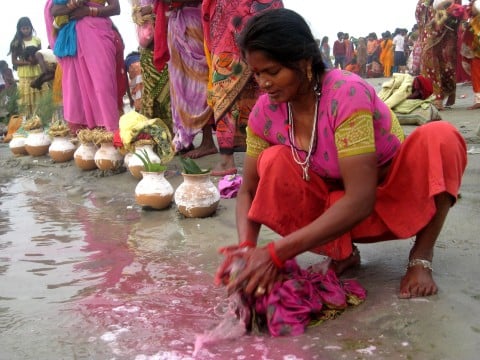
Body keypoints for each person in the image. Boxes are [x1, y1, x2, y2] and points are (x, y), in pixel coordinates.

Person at [216, 8, 467, 300]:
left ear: (304, 61)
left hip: (386, 197)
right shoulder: (266, 112)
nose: (264, 83)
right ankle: (342, 253)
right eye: (257, 73)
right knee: (272, 162)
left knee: (441, 137)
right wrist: (247, 250)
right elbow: (248, 189)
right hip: (333, 208)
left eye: (273, 72)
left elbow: (361, 200)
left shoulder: (346, 94)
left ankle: (421, 257)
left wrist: (274, 253)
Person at [201, 0, 284, 176]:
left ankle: (228, 160)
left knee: (225, 89)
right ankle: (269, 157)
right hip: (260, 16)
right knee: (264, 83)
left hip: (233, 18)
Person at [48, 0, 121, 133]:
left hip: (98, 33)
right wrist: (73, 4)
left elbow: (116, 8)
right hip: (72, 40)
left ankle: (110, 133)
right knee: (76, 90)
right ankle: (85, 136)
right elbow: (54, 10)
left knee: (103, 85)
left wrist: (89, 11)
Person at [416, 0, 463, 110]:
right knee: (430, 62)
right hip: (430, 32)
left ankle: (450, 90)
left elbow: (457, 10)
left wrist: (446, 5)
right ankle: (436, 97)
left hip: (447, 31)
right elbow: (420, 13)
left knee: (447, 65)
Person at [8, 17, 46, 117]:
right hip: (25, 73)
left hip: (37, 71)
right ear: (19, 29)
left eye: (27, 28)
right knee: (27, 99)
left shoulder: (36, 40)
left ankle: (43, 119)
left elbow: (40, 54)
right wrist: (27, 62)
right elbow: (14, 60)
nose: (26, 30)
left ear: (31, 28)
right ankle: (30, 121)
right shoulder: (16, 42)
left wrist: (36, 61)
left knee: (41, 96)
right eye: (23, 28)